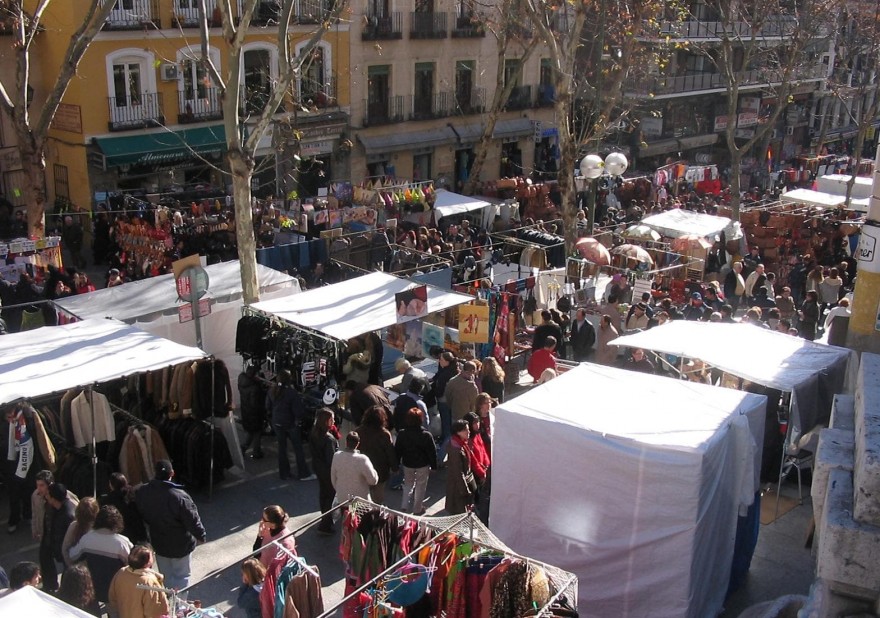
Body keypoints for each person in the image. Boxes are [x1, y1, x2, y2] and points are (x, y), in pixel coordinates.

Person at [134, 460, 207, 591]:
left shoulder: (143, 492)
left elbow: (141, 513)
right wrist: (200, 536)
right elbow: (192, 519)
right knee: (182, 576)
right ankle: (179, 602)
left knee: (165, 577)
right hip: (181, 545)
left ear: (155, 472)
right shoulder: (179, 496)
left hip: (159, 543)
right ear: (172, 473)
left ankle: (168, 597)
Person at [69, 505, 133, 603]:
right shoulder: (122, 543)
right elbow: (133, 565)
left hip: (93, 589)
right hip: (116, 592)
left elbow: (72, 556)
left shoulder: (87, 538)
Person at [266, 370, 315, 481]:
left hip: (277, 422)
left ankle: (284, 473)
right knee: (298, 448)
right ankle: (303, 474)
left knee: (282, 448)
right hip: (290, 423)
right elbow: (299, 411)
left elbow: (267, 406)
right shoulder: (291, 393)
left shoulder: (272, 391)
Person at [108, 544, 170, 618]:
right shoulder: (149, 582)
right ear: (147, 562)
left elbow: (112, 597)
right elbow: (154, 611)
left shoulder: (121, 572)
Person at [395, 408, 437, 516]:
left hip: (407, 463)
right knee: (420, 486)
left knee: (407, 485)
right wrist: (434, 466)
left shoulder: (402, 434)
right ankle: (417, 508)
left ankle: (404, 506)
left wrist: (396, 465)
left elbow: (398, 450)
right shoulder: (426, 435)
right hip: (422, 464)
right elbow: (432, 452)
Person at [356, 405, 397, 507]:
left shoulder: (358, 432)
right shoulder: (384, 434)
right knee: (378, 498)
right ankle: (376, 513)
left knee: (362, 497)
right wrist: (395, 468)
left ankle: (362, 512)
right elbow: (390, 453)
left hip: (362, 469)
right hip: (380, 469)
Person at [308, 408, 339, 535]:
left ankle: (324, 518)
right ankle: (325, 524)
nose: (334, 421)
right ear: (326, 421)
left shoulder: (314, 433)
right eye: (332, 419)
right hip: (328, 471)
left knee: (324, 494)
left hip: (318, 468)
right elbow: (331, 459)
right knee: (330, 497)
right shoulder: (328, 439)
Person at [45, 483, 77, 592]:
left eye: (48, 495)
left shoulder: (67, 515)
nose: (46, 496)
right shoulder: (58, 509)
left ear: (53, 498)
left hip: (67, 554)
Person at [331, 432, 379, 503]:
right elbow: (373, 481)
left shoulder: (336, 456)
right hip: (359, 501)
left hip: (342, 499)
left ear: (346, 442)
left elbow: (333, 479)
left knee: (347, 509)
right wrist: (374, 471)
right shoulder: (362, 459)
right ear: (358, 444)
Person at [101, 472, 147, 544]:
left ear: (111, 485)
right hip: (137, 532)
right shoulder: (131, 494)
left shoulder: (107, 500)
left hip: (120, 535)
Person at [445, 419, 475, 515]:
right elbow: (458, 472)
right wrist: (465, 491)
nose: (468, 432)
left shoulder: (461, 443)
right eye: (465, 430)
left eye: (468, 429)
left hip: (460, 485)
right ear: (458, 432)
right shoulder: (455, 448)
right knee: (459, 513)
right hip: (457, 488)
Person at [430, 351, 459, 447]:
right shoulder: (453, 370)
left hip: (444, 401)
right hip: (452, 400)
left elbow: (440, 391)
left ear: (447, 362)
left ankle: (446, 444)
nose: (439, 361)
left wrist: (433, 391)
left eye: (441, 359)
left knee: (446, 422)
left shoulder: (445, 375)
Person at [238, 366, 267, 459]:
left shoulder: (242, 383)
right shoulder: (254, 387)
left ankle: (243, 449)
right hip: (254, 414)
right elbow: (255, 403)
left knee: (251, 432)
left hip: (246, 411)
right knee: (257, 432)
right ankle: (256, 452)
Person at [61, 496, 99, 567]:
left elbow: (65, 549)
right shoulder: (98, 528)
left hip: (77, 567)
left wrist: (71, 566)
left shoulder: (73, 526)